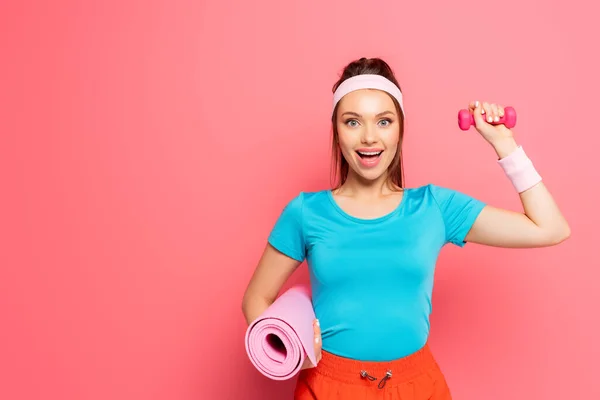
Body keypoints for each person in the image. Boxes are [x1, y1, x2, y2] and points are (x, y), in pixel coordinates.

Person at [241, 57, 570, 399]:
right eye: (352, 122)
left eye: (384, 121)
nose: (369, 137)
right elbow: (256, 298)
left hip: (417, 386)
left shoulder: (436, 208)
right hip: (327, 385)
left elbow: (550, 228)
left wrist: (505, 144)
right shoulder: (305, 212)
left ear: (400, 128)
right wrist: (296, 356)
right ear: (336, 132)